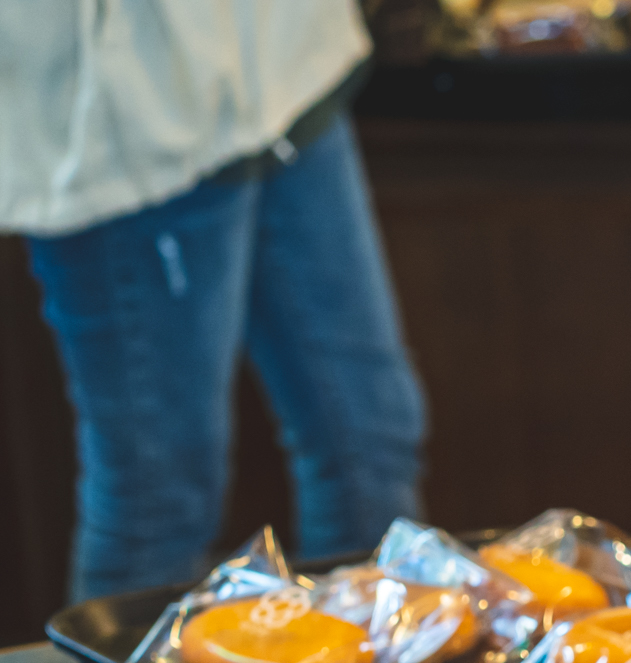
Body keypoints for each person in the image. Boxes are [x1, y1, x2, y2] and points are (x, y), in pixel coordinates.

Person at [4, 0, 429, 603]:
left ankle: (369, 652)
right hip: (127, 117)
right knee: (159, 500)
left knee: (368, 438)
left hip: (286, 61)